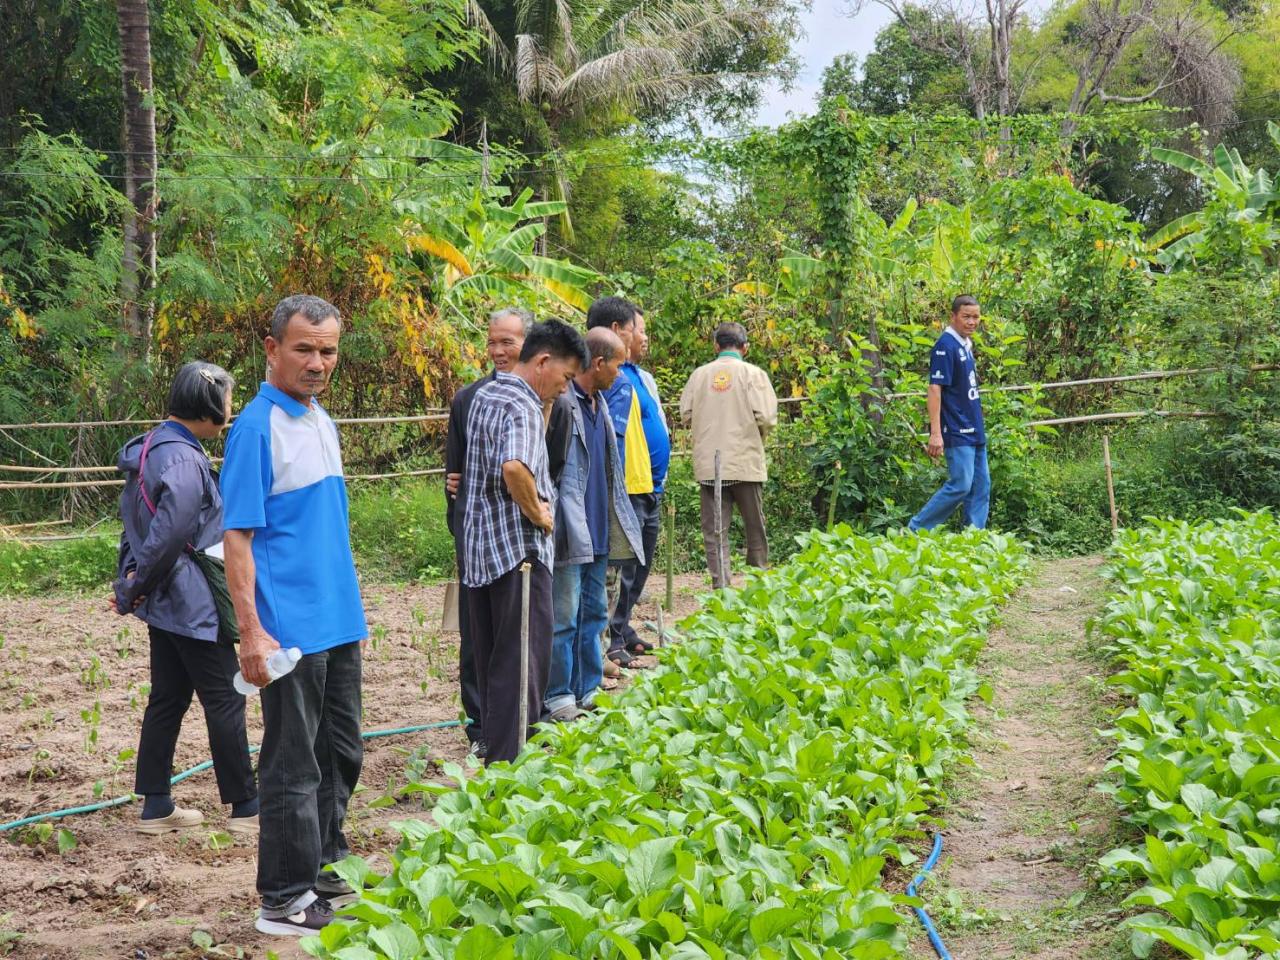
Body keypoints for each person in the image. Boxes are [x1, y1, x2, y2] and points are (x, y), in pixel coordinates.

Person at [221, 294, 368, 937]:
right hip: (290, 629)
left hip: (338, 618)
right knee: (291, 763)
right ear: (273, 349)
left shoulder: (319, 418)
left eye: (328, 350)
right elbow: (238, 539)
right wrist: (252, 633)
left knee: (342, 752)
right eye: (304, 348)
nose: (317, 362)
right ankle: (282, 897)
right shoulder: (258, 426)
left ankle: (326, 867)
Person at [111, 361, 258, 836]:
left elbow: (134, 529)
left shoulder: (151, 447)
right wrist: (135, 587)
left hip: (162, 602)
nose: (231, 410)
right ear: (209, 404)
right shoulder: (187, 460)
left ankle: (157, 806)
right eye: (228, 401)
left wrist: (130, 586)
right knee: (225, 698)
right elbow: (169, 535)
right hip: (193, 601)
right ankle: (246, 807)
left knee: (168, 697)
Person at [460, 319, 587, 764]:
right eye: (566, 378)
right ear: (543, 361)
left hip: (481, 552)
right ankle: (508, 769)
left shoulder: (487, 394)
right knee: (521, 668)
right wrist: (541, 515)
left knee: (495, 660)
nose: (565, 389)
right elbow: (515, 468)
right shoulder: (522, 405)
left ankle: (494, 756)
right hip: (519, 556)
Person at [543, 327, 645, 722]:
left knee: (594, 615)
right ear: (599, 363)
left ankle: (588, 688)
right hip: (571, 531)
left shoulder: (598, 404)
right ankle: (558, 696)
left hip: (598, 531)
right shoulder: (563, 405)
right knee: (564, 619)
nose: (621, 373)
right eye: (618, 365)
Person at [444, 307, 531, 757]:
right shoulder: (468, 399)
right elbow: (454, 473)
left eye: (508, 342)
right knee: (476, 639)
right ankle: (480, 728)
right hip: (476, 539)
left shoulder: (541, 397)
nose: (498, 351)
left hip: (520, 543)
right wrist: (456, 511)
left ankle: (515, 725)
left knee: (515, 639)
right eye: (492, 342)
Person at [679, 322, 778, 589]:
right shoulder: (754, 375)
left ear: (716, 346)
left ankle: (721, 587)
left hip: (711, 466)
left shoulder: (699, 376)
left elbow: (685, 415)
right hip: (746, 463)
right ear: (745, 347)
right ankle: (758, 582)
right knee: (754, 527)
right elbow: (767, 418)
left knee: (715, 532)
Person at [605, 306, 670, 662]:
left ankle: (623, 625)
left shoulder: (639, 376)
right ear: (619, 330)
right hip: (627, 486)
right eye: (640, 330)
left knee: (640, 565)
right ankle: (611, 636)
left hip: (649, 484)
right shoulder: (611, 377)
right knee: (621, 567)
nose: (644, 337)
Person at [908, 294, 990, 531]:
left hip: (974, 426)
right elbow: (935, 388)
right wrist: (935, 433)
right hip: (956, 427)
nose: (972, 322)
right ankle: (916, 529)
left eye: (976, 317)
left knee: (980, 485)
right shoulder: (945, 346)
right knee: (961, 485)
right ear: (953, 316)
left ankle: (974, 537)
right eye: (966, 317)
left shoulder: (965, 343)